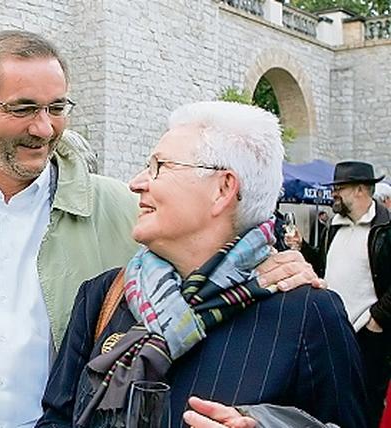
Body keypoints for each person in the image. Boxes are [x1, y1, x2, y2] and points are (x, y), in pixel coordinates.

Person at [0, 30, 319, 428]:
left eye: (57, 107)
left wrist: (267, 262)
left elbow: (206, 255)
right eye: (24, 108)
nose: (44, 128)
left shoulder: (118, 205)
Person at [36, 101, 366, 428]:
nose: (137, 182)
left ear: (223, 188)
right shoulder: (103, 296)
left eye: (159, 167)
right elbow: (56, 419)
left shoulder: (306, 314)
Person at [287, 160, 391, 426]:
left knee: (368, 401)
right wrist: (303, 248)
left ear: (359, 189)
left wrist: (377, 319)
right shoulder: (334, 226)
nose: (333, 193)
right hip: (334, 327)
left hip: (369, 334)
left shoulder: (385, 228)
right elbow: (324, 267)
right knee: (338, 397)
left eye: (340, 187)